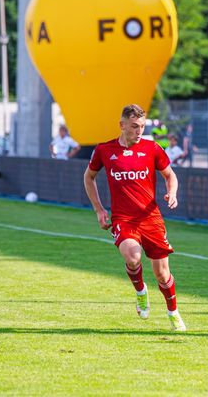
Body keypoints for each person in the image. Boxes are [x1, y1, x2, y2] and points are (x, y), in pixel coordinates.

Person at [83, 104, 186, 331]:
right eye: (134, 126)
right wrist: (99, 209)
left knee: (162, 274)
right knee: (133, 257)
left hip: (151, 218)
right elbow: (89, 177)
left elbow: (170, 175)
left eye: (142, 126)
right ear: (122, 125)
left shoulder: (152, 148)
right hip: (124, 219)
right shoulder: (104, 150)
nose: (139, 131)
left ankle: (173, 312)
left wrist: (172, 192)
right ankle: (141, 292)